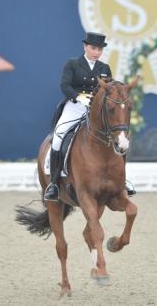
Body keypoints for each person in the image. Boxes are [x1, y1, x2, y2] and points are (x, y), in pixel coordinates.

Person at [44, 32, 135, 201]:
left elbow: (111, 88)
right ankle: (54, 184)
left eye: (99, 49)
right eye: (93, 48)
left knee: (118, 139)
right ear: (85, 47)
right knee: (58, 138)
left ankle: (122, 180)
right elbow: (64, 85)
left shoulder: (104, 68)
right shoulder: (72, 64)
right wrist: (79, 97)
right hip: (74, 106)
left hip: (97, 110)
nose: (96, 52)